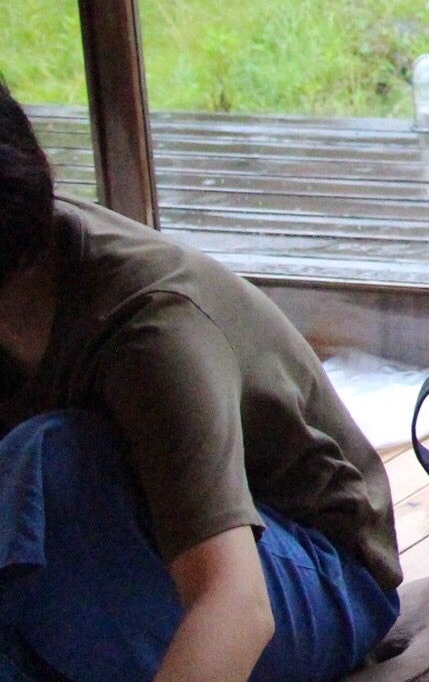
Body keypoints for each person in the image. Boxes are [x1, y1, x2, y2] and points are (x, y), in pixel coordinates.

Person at [0, 82, 401, 682]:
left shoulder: (150, 331)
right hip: (148, 542)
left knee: (47, 463)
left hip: (315, 573)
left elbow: (235, 606)